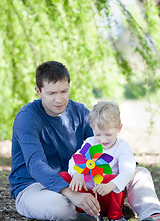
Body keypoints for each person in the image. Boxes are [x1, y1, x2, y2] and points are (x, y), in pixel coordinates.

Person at [9, 61, 160, 221]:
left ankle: (151, 215)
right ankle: (91, 212)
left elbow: (104, 146)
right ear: (38, 91)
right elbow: (35, 164)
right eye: (51, 93)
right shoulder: (27, 118)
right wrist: (72, 193)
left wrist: (125, 173)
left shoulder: (79, 112)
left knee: (141, 174)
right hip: (35, 186)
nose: (59, 99)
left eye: (63, 91)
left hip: (78, 180)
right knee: (60, 208)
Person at [65, 101, 136, 221]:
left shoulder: (122, 146)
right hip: (88, 195)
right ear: (92, 128)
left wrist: (111, 185)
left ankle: (116, 216)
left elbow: (128, 171)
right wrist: (77, 174)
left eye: (108, 134)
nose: (102, 139)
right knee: (64, 176)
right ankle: (85, 214)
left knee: (108, 177)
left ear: (119, 128)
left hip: (109, 194)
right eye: (98, 134)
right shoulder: (90, 142)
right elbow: (75, 159)